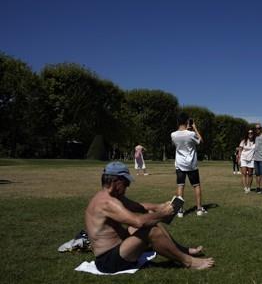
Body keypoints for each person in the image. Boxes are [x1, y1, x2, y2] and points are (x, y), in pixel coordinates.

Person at [85, 161, 214, 273]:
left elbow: (137, 206)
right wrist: (162, 214)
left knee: (152, 221)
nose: (127, 187)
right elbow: (138, 222)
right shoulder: (107, 202)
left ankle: (183, 250)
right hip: (108, 261)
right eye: (126, 183)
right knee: (151, 230)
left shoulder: (112, 196)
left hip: (117, 250)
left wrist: (158, 207)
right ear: (115, 182)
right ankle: (188, 262)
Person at [171, 112, 207, 217]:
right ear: (187, 121)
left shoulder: (173, 134)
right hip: (191, 164)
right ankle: (199, 209)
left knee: (180, 186)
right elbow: (201, 141)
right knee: (196, 186)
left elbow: (176, 144)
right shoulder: (191, 134)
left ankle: (180, 211)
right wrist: (194, 128)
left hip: (179, 164)